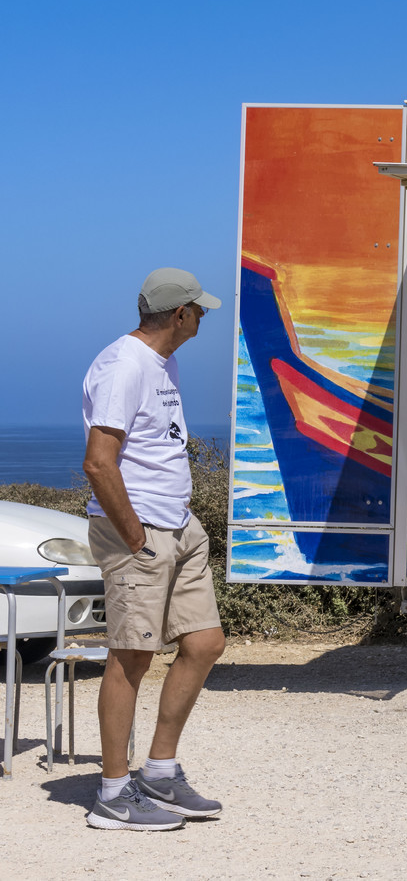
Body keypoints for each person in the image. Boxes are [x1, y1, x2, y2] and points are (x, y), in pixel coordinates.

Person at [80, 269, 226, 832]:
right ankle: (113, 794)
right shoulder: (124, 365)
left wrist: (176, 522)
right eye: (199, 309)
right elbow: (99, 462)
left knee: (206, 641)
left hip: (177, 526)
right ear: (179, 315)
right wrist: (135, 536)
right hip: (138, 532)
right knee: (131, 656)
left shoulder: (161, 361)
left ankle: (160, 772)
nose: (203, 317)